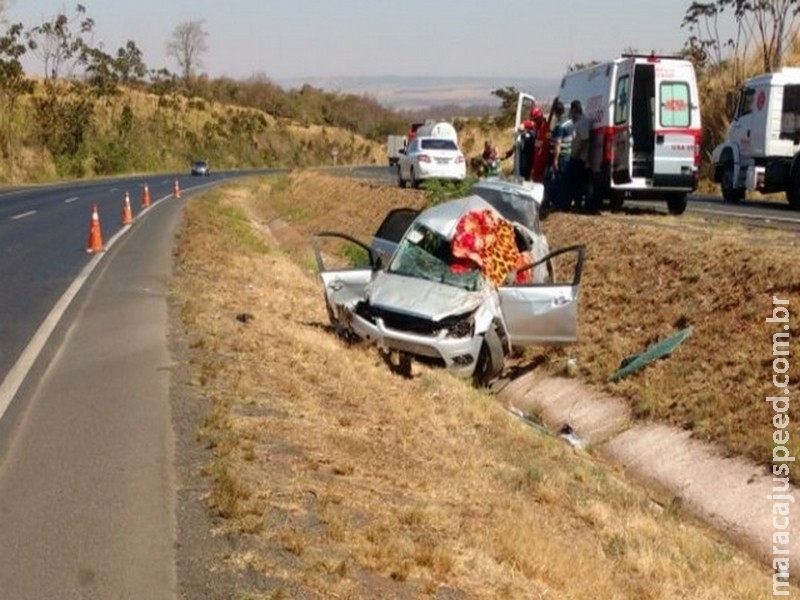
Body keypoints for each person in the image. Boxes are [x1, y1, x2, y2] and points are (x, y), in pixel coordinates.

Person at [562, 99, 593, 211]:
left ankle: (577, 203)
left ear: (575, 110)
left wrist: (577, 153)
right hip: (575, 156)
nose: (570, 113)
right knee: (573, 181)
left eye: (571, 111)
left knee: (575, 182)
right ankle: (574, 203)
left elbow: (585, 141)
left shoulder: (583, 123)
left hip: (579, 158)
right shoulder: (578, 122)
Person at [545, 100, 571, 209]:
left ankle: (558, 204)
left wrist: (555, 160)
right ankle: (563, 203)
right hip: (568, 155)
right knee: (564, 180)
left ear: (556, 112)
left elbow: (558, 144)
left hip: (561, 156)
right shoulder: (569, 122)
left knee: (557, 179)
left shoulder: (560, 125)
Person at [529, 106, 550, 183]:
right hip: (537, 155)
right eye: (534, 120)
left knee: (537, 178)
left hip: (542, 156)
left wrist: (537, 144)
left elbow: (545, 143)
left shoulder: (545, 128)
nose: (535, 121)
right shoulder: (537, 126)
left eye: (535, 119)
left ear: (540, 117)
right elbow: (530, 124)